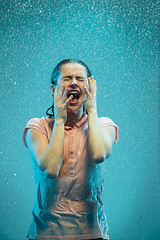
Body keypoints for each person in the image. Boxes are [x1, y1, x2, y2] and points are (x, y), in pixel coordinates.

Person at [22, 59, 119, 240]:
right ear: (53, 89)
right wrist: (59, 121)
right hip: (45, 234)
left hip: (94, 235)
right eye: (67, 78)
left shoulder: (105, 125)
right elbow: (50, 169)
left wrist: (92, 110)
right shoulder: (37, 127)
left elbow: (99, 154)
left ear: (90, 87)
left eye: (80, 78)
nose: (74, 82)